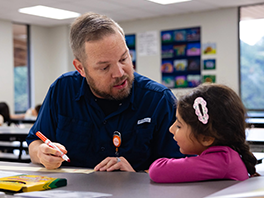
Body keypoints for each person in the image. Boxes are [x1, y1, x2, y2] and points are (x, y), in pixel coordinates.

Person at [26, 12, 185, 171]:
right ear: (81, 68)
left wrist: (137, 175)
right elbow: (35, 141)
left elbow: (181, 166)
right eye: (104, 67)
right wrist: (41, 153)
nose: (120, 73)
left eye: (124, 59)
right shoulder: (62, 90)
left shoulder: (158, 100)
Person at [149, 83, 259, 183]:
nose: (171, 129)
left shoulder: (222, 161)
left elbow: (157, 170)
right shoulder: (225, 156)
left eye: (179, 126)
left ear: (206, 138)